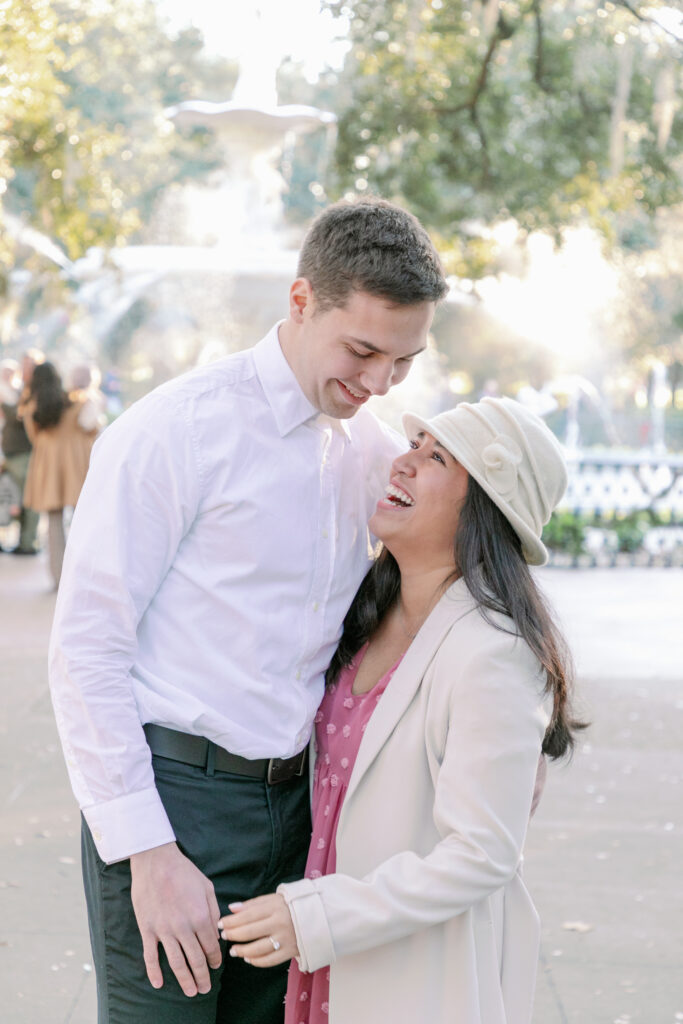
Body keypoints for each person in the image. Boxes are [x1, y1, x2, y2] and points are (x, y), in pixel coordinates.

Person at [48, 197, 448, 1024]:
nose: (376, 382)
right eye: (362, 349)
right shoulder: (173, 431)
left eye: (402, 362)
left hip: (302, 818)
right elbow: (86, 649)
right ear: (301, 302)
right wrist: (148, 851)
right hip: (172, 803)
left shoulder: (374, 456)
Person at [219, 396, 585, 1024]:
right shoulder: (362, 610)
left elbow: (482, 854)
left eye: (436, 456)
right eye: (412, 446)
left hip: (412, 969)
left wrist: (316, 914)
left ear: (487, 509)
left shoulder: (493, 652)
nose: (404, 463)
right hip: (328, 957)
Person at [19, 361, 99, 587]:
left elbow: (33, 436)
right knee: (82, 519)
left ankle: (58, 578)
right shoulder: (74, 400)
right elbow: (90, 428)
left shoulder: (33, 407)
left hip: (48, 466)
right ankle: (84, 575)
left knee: (53, 522)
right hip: (77, 465)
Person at [0, 351, 42, 554]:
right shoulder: (17, 392)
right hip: (8, 451)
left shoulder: (32, 391)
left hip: (23, 452)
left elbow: (19, 419)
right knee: (8, 496)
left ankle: (27, 542)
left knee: (28, 497)